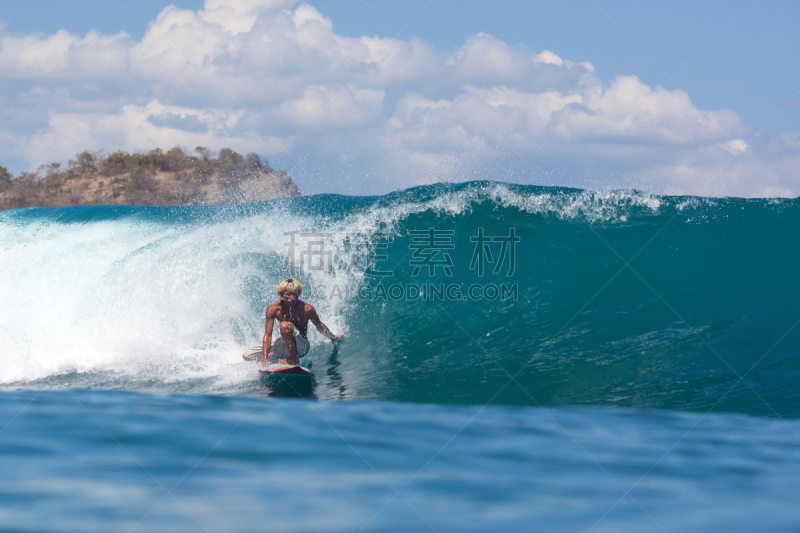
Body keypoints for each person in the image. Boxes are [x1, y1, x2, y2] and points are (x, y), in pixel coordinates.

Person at [261, 278, 342, 366]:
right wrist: (264, 360)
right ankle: (278, 359)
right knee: (248, 355)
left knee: (284, 326)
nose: (293, 298)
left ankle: (294, 359)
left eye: (296, 294)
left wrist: (333, 337)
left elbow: (319, 325)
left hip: (302, 346)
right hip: (285, 345)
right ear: (281, 294)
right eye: (289, 294)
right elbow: (268, 335)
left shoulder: (307, 309)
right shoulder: (273, 309)